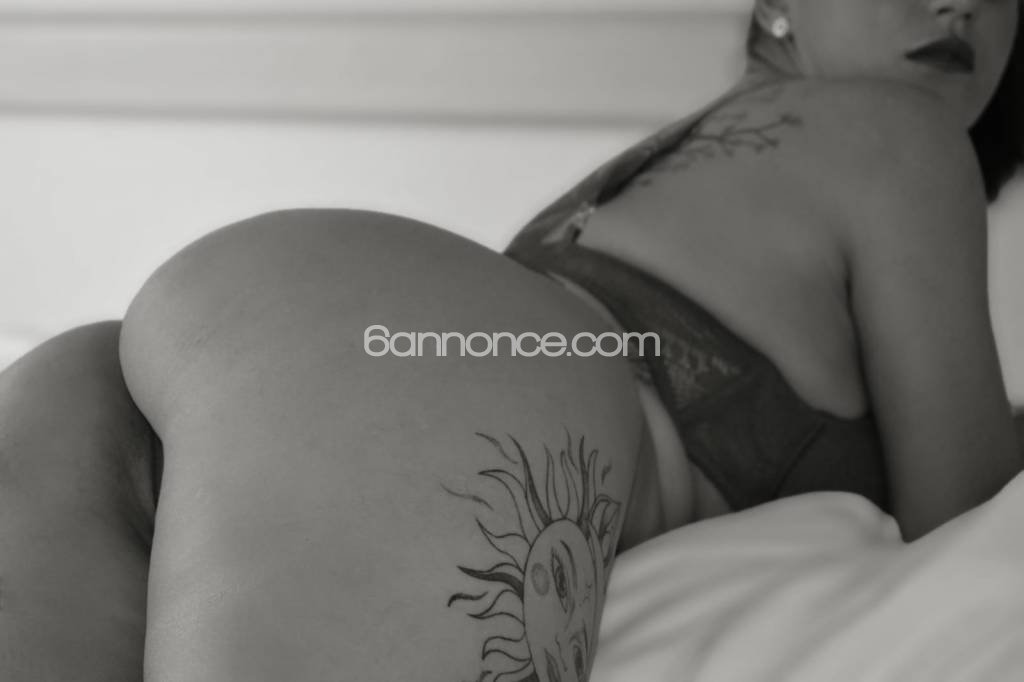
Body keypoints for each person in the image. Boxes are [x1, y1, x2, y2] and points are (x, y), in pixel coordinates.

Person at [1, 1, 1021, 681]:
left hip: (197, 331)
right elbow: (969, 511)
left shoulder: (671, 170)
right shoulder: (906, 134)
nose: (957, 8)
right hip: (424, 374)